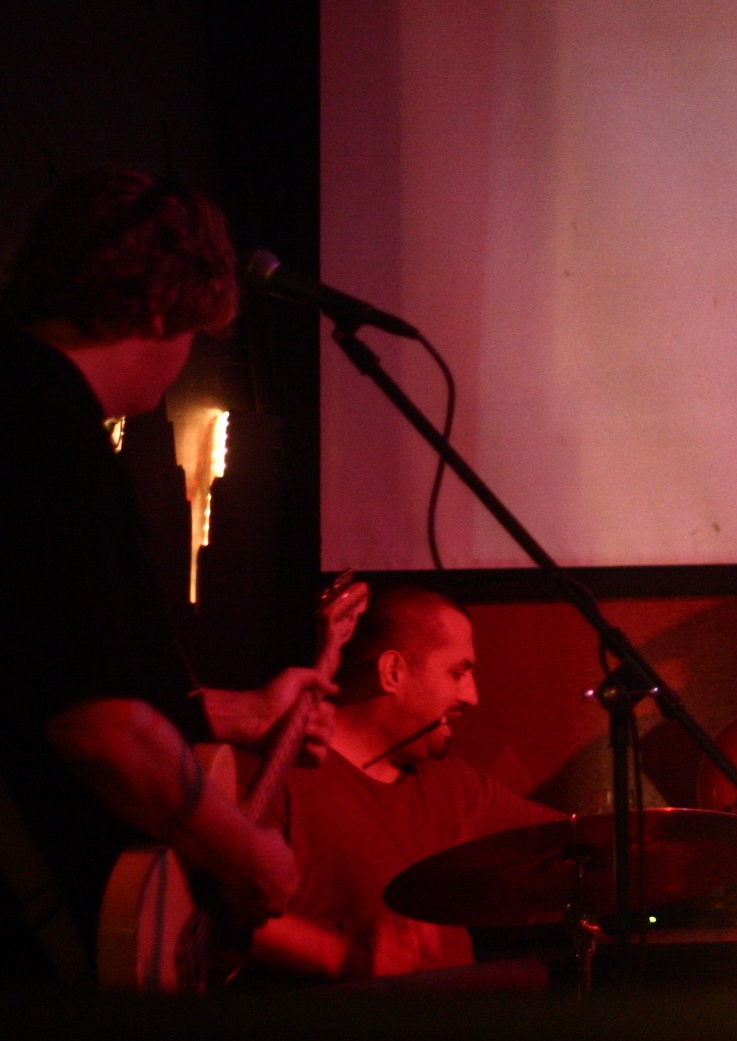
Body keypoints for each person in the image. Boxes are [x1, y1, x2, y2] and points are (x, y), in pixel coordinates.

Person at [0, 168, 336, 987]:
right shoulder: (47, 432)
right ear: (158, 308)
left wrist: (241, 711)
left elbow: (44, 675)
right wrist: (245, 851)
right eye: (190, 335)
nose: (183, 362)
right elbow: (98, 728)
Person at [249, 585, 558, 981]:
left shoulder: (454, 785)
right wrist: (342, 956)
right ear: (392, 672)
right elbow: (216, 915)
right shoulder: (276, 774)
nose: (472, 696)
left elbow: (576, 842)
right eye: (457, 672)